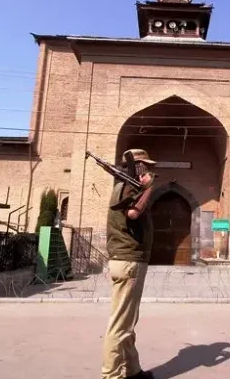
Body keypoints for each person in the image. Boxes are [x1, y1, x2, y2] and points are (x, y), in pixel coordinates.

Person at [101, 149, 157, 379]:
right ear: (139, 167)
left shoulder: (122, 187)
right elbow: (133, 213)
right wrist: (149, 188)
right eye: (148, 167)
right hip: (129, 261)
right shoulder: (130, 187)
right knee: (119, 326)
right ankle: (111, 376)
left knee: (127, 322)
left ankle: (133, 371)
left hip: (126, 261)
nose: (152, 171)